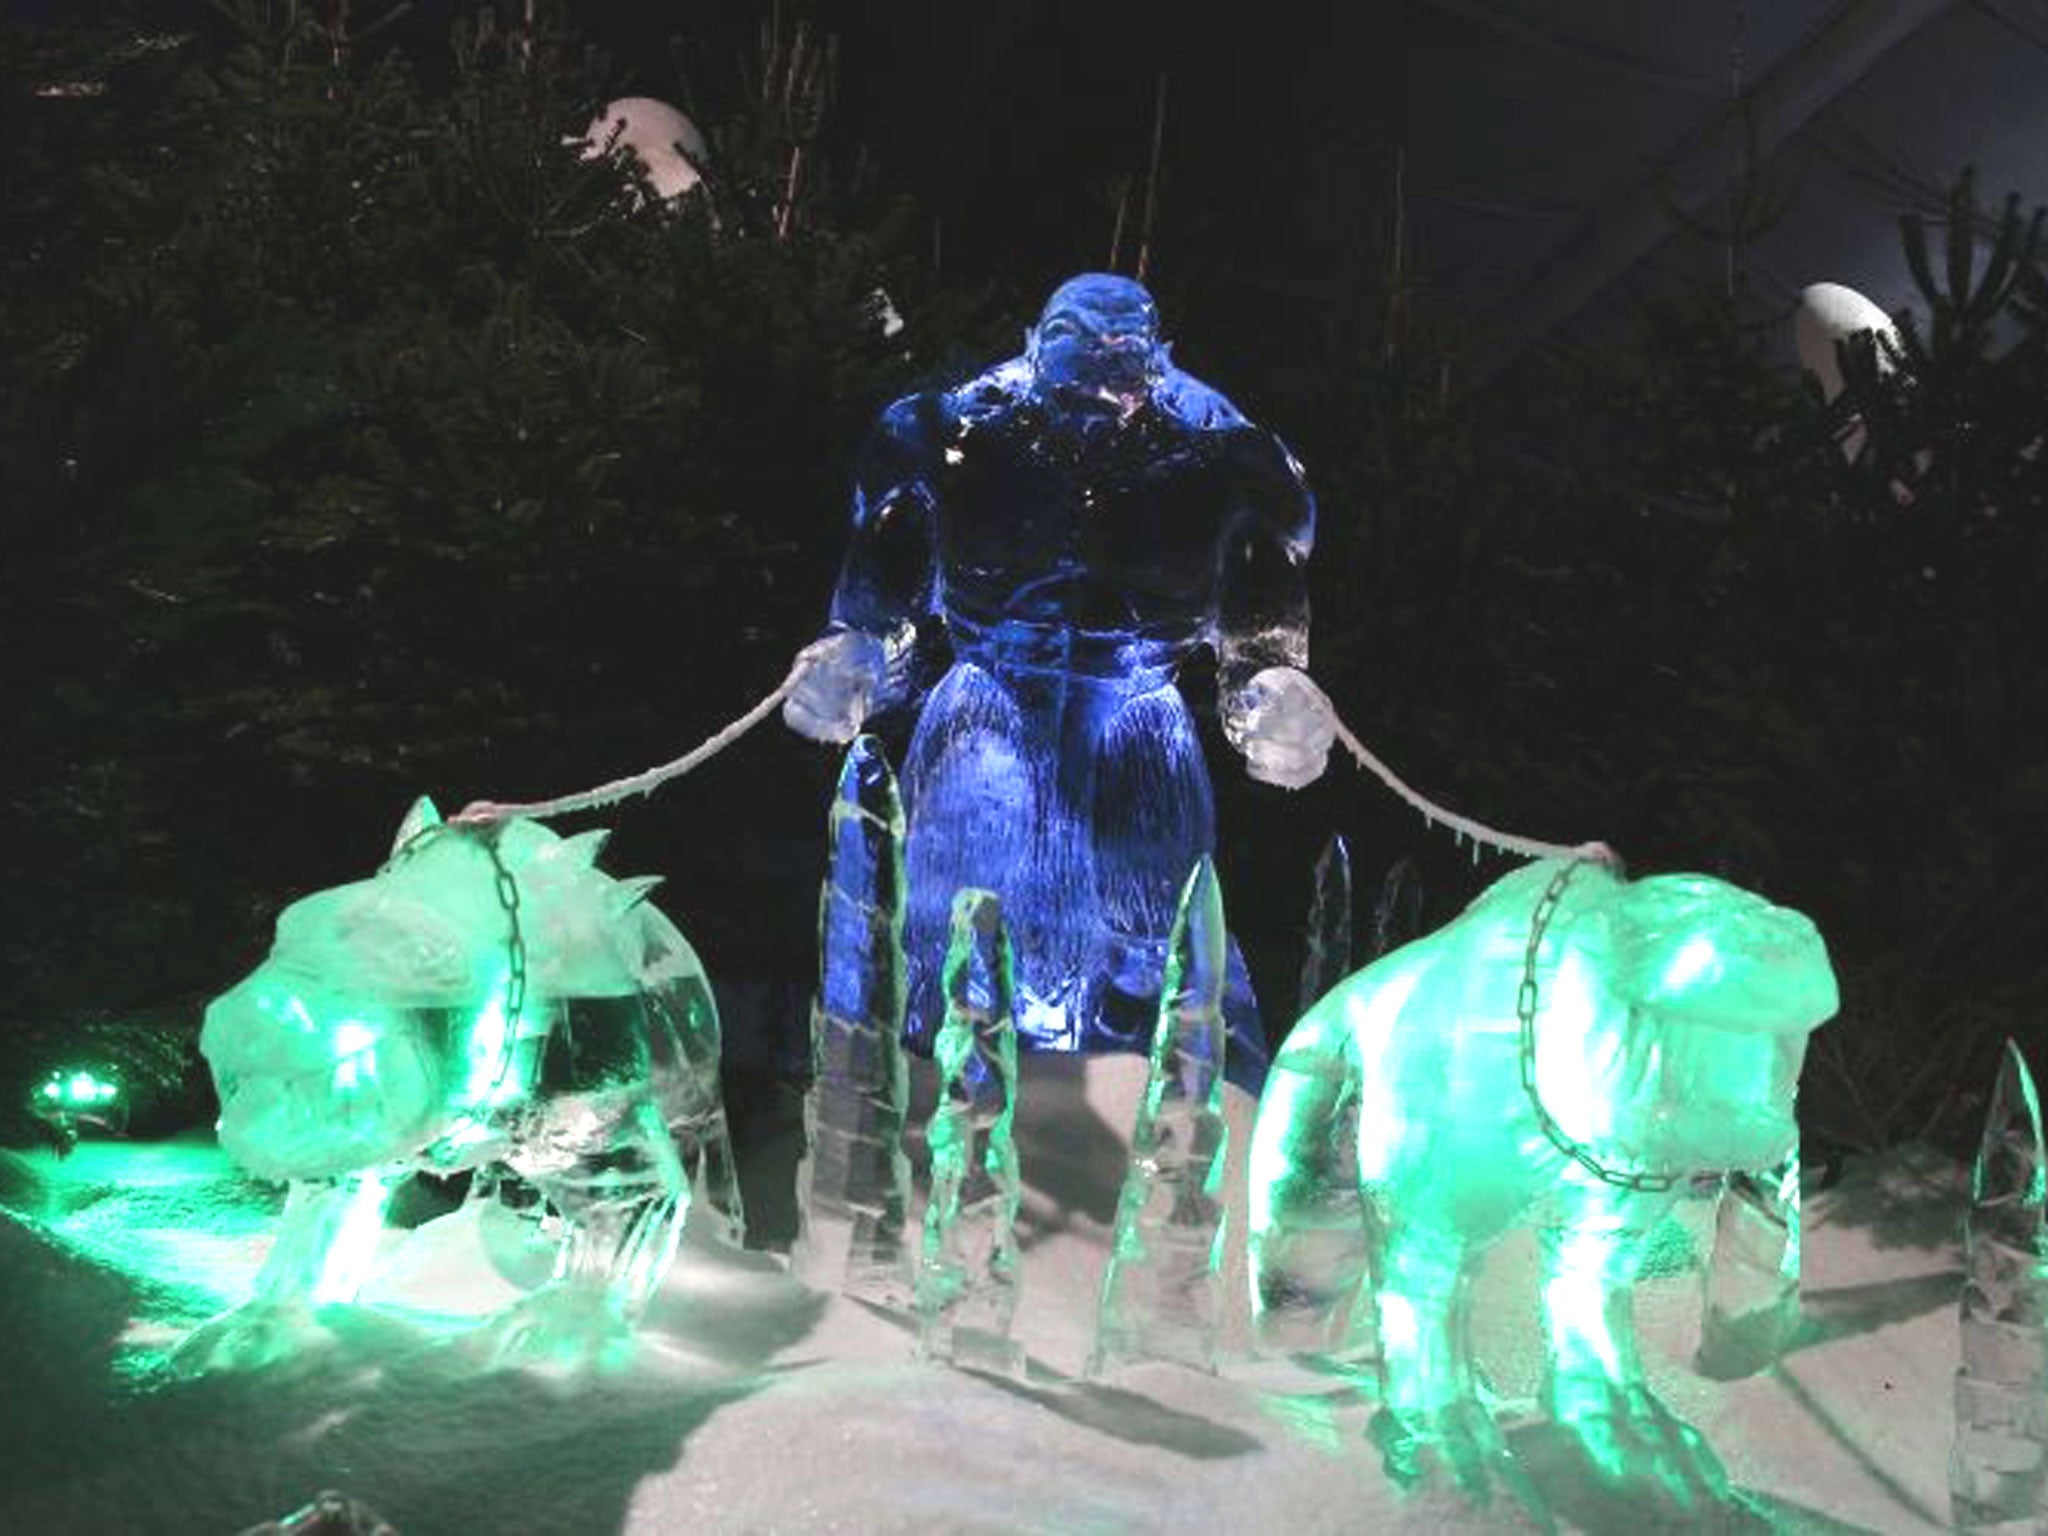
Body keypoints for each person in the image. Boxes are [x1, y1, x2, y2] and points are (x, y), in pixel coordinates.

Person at [784, 274, 1336, 1079]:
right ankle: (936, 1086)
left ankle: (1147, 1101)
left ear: (1155, 354)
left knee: (1153, 932)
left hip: (1138, 713)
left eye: (1123, 346)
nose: (1100, 367)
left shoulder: (1222, 459)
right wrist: (859, 651)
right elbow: (893, 568)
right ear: (1037, 340)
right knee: (949, 922)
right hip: (987, 703)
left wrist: (1269, 688)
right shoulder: (953, 435)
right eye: (1078, 338)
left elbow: (1260, 594)